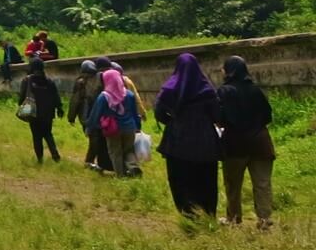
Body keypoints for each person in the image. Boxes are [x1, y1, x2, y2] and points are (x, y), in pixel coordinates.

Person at [155, 52, 220, 217]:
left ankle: (188, 213)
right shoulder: (206, 90)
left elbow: (159, 114)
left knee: (180, 180)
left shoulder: (169, 90)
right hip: (205, 143)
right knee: (206, 180)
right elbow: (217, 116)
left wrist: (174, 122)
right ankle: (208, 213)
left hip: (177, 143)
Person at [217, 55, 275, 229]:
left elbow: (219, 117)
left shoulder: (224, 91)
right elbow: (267, 115)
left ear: (229, 70)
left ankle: (234, 218)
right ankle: (264, 219)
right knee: (262, 183)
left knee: (233, 184)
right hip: (260, 142)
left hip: (235, 144)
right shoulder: (255, 89)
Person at [88, 68, 143, 177]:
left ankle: (120, 175)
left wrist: (91, 127)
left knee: (115, 152)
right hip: (129, 127)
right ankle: (133, 167)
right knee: (129, 150)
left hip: (112, 129)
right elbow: (134, 112)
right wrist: (137, 126)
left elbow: (96, 114)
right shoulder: (129, 94)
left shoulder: (104, 97)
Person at [67, 59, 112, 170]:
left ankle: (93, 162)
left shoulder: (82, 81)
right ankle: (92, 161)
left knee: (95, 139)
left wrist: (71, 116)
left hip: (87, 115)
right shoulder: (98, 78)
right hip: (97, 114)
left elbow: (75, 101)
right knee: (97, 139)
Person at [19, 58, 63, 163]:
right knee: (48, 134)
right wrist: (59, 108)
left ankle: (40, 159)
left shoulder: (27, 80)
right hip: (48, 113)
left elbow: (21, 98)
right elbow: (56, 96)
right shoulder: (49, 81)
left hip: (33, 113)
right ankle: (55, 155)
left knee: (36, 136)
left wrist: (22, 105)